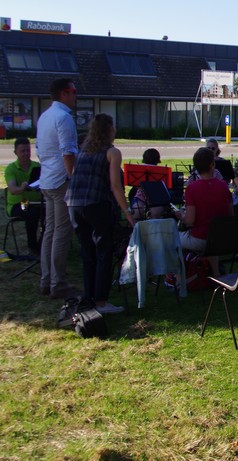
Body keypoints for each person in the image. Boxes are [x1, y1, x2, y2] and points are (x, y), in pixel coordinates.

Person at [66, 114, 135, 315]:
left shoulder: (83, 150)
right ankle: (101, 301)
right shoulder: (112, 152)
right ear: (110, 129)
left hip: (74, 204)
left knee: (87, 252)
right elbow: (115, 185)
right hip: (96, 203)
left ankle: (88, 297)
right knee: (104, 251)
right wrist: (126, 211)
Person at [35, 78, 79, 299]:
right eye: (73, 91)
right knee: (62, 232)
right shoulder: (63, 118)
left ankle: (47, 279)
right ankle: (58, 283)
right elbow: (67, 152)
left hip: (47, 178)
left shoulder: (45, 116)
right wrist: (74, 179)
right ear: (64, 93)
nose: (75, 96)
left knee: (50, 231)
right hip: (61, 179)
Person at [178, 147, 233, 277]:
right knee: (210, 235)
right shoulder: (223, 186)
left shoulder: (192, 188)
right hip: (221, 237)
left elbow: (190, 221)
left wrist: (181, 216)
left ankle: (178, 277)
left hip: (200, 239)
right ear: (212, 165)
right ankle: (215, 273)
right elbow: (230, 215)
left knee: (173, 237)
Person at [4, 136, 43, 256]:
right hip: (19, 204)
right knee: (32, 214)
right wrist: (22, 188)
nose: (26, 154)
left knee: (52, 214)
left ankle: (43, 245)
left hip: (37, 203)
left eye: (28, 150)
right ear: (15, 152)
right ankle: (33, 247)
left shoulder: (37, 166)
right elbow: (12, 189)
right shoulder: (11, 168)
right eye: (22, 151)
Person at [129, 148, 167, 220]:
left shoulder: (162, 171)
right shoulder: (139, 170)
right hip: (141, 197)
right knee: (137, 211)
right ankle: (136, 226)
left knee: (155, 214)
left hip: (157, 198)